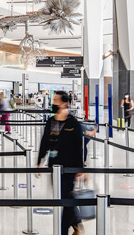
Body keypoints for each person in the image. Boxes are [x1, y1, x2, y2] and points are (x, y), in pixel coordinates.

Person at [37, 91, 87, 235]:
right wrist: (39, 162)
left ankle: (64, 230)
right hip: (54, 166)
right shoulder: (51, 121)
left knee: (65, 199)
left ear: (64, 103)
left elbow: (79, 146)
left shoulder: (73, 123)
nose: (54, 103)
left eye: (56, 100)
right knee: (63, 197)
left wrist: (80, 168)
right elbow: (45, 142)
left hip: (69, 167)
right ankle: (76, 223)